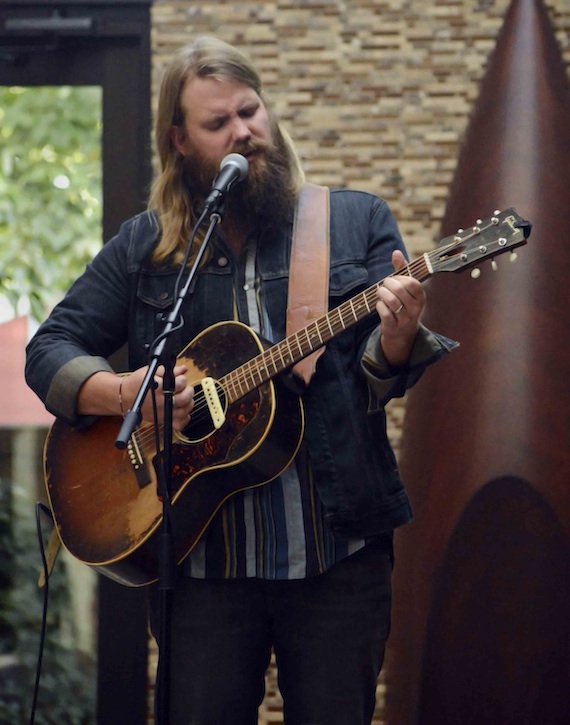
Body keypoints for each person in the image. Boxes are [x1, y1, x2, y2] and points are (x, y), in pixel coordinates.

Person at [26, 35, 455, 725]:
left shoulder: (352, 222)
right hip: (203, 571)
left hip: (335, 556)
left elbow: (379, 375)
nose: (244, 133)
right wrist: (128, 395)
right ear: (180, 141)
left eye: (250, 112)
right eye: (217, 124)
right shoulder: (146, 248)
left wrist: (397, 338)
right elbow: (50, 348)